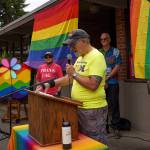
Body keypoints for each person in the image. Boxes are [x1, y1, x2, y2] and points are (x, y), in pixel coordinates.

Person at [42, 29, 108, 145]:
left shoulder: (97, 56)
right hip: (78, 107)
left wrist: (74, 73)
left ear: (83, 41)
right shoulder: (81, 58)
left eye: (73, 44)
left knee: (94, 143)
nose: (71, 48)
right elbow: (69, 79)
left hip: (92, 110)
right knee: (83, 143)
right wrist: (49, 84)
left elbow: (93, 84)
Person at [99, 33, 122, 130]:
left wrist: (107, 78)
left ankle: (116, 127)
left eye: (105, 39)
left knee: (114, 104)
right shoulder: (98, 53)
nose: (103, 40)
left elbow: (117, 66)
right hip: (101, 84)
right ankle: (104, 127)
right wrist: (103, 81)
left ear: (109, 39)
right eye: (101, 39)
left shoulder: (115, 51)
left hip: (112, 82)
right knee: (102, 105)